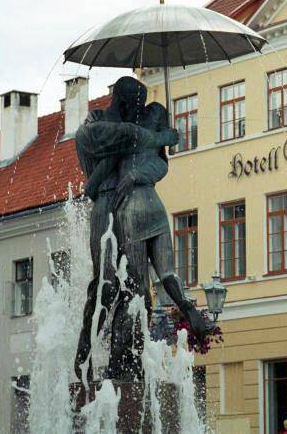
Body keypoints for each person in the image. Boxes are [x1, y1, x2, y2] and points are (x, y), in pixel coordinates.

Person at [73, 76, 204, 381]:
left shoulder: (135, 127)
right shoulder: (95, 124)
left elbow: (157, 164)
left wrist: (146, 160)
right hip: (106, 205)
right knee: (106, 286)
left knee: (135, 290)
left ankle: (125, 360)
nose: (139, 110)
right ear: (120, 100)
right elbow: (124, 135)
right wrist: (160, 137)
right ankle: (85, 354)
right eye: (135, 104)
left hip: (131, 204)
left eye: (142, 105)